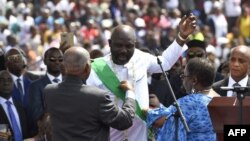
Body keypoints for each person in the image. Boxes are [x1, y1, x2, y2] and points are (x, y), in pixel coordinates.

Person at [86, 13, 197, 141]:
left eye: (128, 46)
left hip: (140, 136)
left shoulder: (141, 58)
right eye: (119, 45)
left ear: (134, 44)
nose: (123, 50)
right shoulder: (97, 69)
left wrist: (182, 36)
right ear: (110, 43)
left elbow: (165, 62)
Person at [44, 47, 136, 141]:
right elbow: (125, 121)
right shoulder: (98, 97)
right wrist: (130, 92)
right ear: (87, 68)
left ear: (63, 66)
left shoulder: (49, 91)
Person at [145, 58, 217, 141]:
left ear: (194, 80)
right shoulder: (219, 98)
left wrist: (147, 111)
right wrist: (160, 106)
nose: (183, 80)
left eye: (184, 76)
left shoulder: (189, 102)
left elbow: (161, 120)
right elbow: (174, 113)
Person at [28, 47, 63, 136]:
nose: (57, 62)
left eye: (60, 59)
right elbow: (36, 114)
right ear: (44, 61)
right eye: (52, 59)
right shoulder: (35, 86)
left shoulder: (71, 82)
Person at [0, 70, 29, 141]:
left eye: (9, 80)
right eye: (1, 80)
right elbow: (3, 137)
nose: (6, 83)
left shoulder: (20, 107)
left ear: (13, 84)